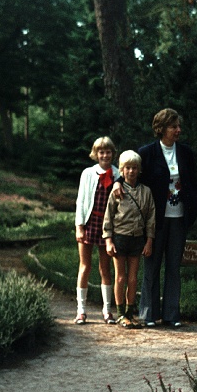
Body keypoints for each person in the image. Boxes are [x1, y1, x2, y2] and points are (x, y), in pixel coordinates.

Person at [112, 108, 197, 328]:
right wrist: (116, 181)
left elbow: (195, 183)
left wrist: (193, 209)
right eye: (173, 126)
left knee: (173, 266)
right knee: (151, 266)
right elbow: (127, 167)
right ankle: (148, 313)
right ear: (161, 129)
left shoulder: (186, 153)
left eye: (179, 126)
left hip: (179, 217)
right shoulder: (148, 152)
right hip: (154, 220)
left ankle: (172, 314)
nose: (178, 130)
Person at [103, 150, 156, 329]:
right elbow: (108, 217)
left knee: (133, 278)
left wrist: (149, 240)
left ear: (139, 170)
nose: (131, 171)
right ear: (122, 170)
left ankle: (130, 312)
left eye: (134, 168)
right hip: (120, 238)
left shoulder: (146, 192)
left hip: (137, 239)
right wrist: (108, 240)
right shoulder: (116, 191)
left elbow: (150, 218)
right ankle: (120, 314)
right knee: (120, 277)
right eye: (127, 168)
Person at [73, 136, 119, 325]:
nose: (104, 155)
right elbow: (81, 201)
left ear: (112, 154)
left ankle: (107, 310)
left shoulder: (117, 174)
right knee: (85, 266)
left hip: (107, 227)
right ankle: (81, 310)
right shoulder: (88, 173)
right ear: (95, 154)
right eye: (101, 152)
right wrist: (79, 227)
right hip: (89, 223)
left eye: (108, 152)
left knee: (105, 268)